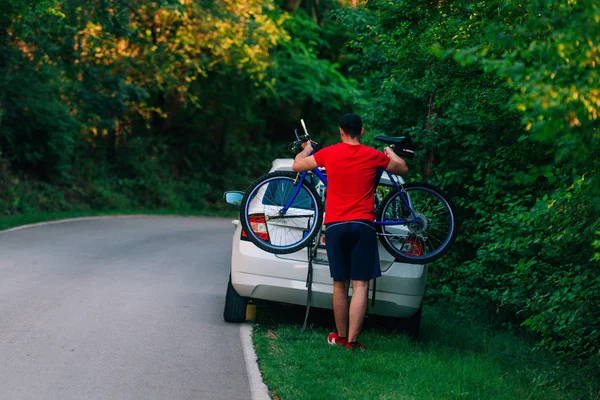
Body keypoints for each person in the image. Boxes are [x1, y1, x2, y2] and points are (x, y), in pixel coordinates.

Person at [292, 113, 408, 349]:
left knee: (340, 285)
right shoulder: (372, 155)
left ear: (341, 131)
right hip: (362, 225)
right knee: (361, 285)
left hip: (335, 225)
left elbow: (297, 165)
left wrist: (307, 149)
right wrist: (390, 151)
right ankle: (353, 342)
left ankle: (340, 336)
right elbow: (403, 169)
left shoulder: (329, 153)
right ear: (362, 131)